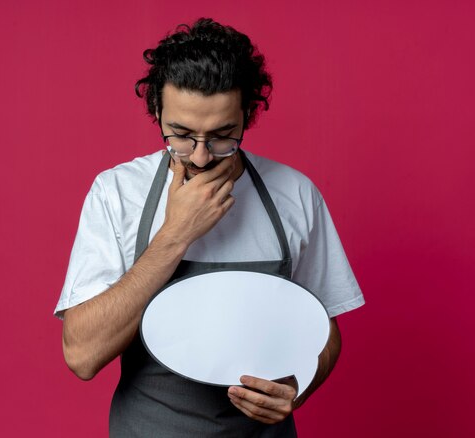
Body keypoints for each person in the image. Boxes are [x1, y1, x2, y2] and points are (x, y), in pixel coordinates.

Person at [55, 18, 364, 437]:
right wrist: (175, 235)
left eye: (222, 136)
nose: (200, 157)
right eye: (180, 135)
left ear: (247, 116)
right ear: (157, 113)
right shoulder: (117, 194)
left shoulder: (295, 193)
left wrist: (300, 383)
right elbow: (83, 355)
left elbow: (323, 327)